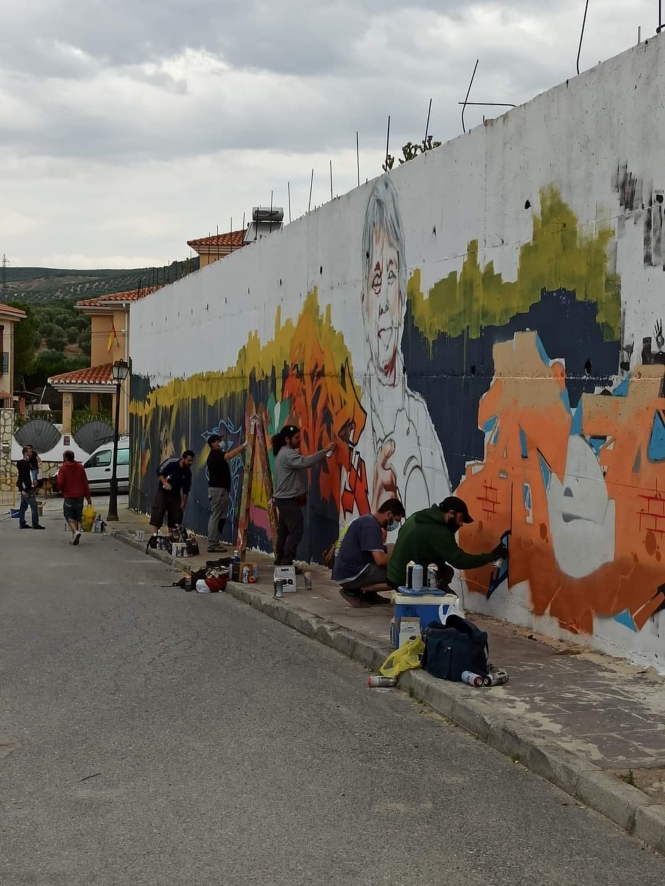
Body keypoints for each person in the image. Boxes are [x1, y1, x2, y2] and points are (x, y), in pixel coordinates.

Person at [356, 175, 451, 516]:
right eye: (376, 280)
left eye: (392, 276)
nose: (383, 302)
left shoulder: (419, 421)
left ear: (404, 298)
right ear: (363, 301)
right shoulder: (355, 427)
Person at [387, 496, 507, 590]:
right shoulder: (439, 532)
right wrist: (492, 556)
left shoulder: (419, 515)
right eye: (461, 519)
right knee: (451, 604)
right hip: (406, 580)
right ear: (451, 513)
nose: (461, 524)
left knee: (446, 571)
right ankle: (431, 599)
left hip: (394, 573)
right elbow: (460, 561)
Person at [272, 425, 337, 566]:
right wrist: (325, 451)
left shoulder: (282, 452)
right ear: (287, 439)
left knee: (284, 531)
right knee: (296, 530)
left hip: (283, 499)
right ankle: (286, 562)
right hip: (287, 499)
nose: (299, 440)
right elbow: (306, 462)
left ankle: (280, 559)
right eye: (296, 437)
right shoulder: (288, 454)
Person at [333, 498, 406, 608]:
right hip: (352, 574)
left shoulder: (369, 521)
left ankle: (370, 595)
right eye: (396, 520)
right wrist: (403, 562)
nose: (395, 524)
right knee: (400, 576)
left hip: (350, 568)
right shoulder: (371, 525)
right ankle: (356, 590)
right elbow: (380, 560)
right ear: (389, 514)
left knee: (391, 547)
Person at [206, 434, 248, 553]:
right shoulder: (215, 454)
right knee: (216, 516)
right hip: (218, 490)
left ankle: (214, 542)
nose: (221, 442)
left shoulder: (215, 454)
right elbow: (229, 455)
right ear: (213, 444)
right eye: (218, 440)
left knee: (220, 516)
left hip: (220, 490)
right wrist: (243, 446)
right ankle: (212, 543)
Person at [150, 450, 194, 534]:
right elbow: (159, 471)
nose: (190, 463)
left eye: (192, 461)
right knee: (159, 511)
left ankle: (171, 535)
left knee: (176, 515)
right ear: (183, 458)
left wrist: (183, 502)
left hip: (175, 494)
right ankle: (155, 534)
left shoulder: (188, 472)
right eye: (189, 460)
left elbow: (186, 489)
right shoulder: (170, 462)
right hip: (163, 491)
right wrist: (164, 482)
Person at [56, 450, 92, 545]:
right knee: (76, 516)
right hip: (80, 496)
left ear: (66, 457)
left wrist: (61, 489)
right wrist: (88, 497)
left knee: (68, 515)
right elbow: (85, 482)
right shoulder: (80, 467)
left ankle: (76, 532)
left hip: (69, 495)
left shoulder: (63, 468)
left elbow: (60, 482)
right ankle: (74, 536)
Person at [16, 447, 44, 530]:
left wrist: (34, 481)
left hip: (28, 486)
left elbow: (29, 475)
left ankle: (22, 522)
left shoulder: (28, 463)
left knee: (23, 506)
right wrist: (23, 490)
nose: (31, 454)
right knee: (34, 505)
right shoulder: (23, 464)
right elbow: (22, 478)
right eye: (29, 452)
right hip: (27, 488)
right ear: (25, 453)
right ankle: (35, 523)